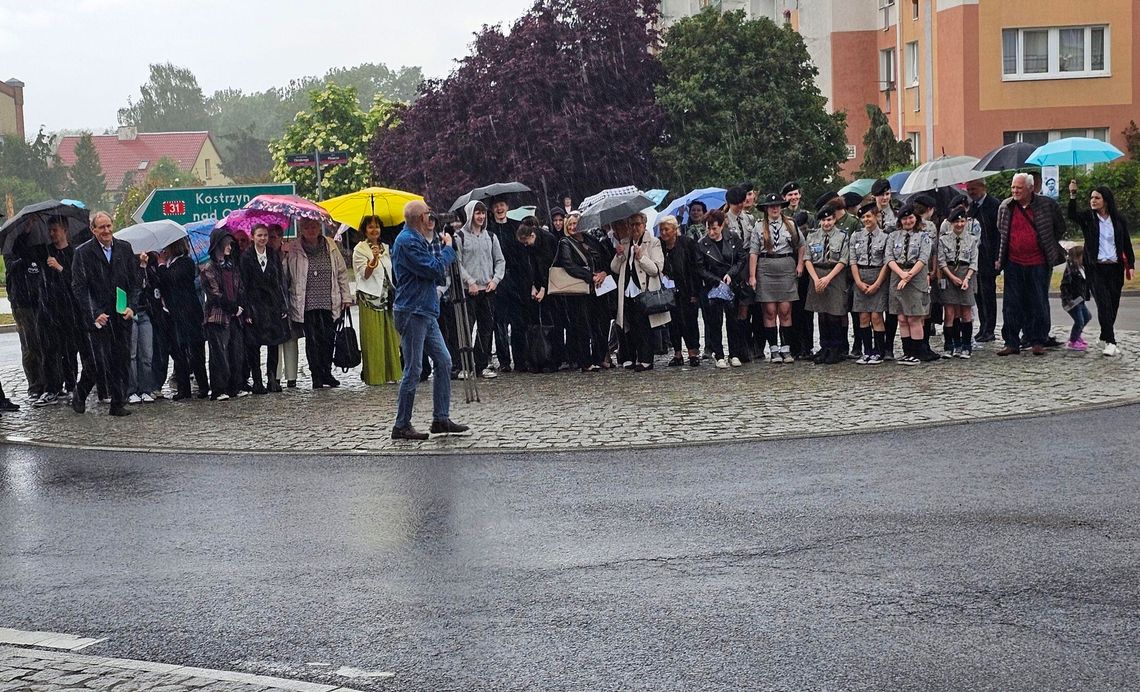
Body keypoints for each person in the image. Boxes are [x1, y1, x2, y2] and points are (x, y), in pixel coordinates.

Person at [390, 200, 468, 440]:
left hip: (425, 309)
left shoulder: (417, 239)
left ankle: (440, 418)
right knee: (413, 369)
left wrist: (441, 247)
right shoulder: (407, 242)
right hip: (413, 310)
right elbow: (434, 269)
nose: (432, 218)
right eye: (428, 214)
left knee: (444, 361)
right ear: (420, 218)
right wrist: (448, 249)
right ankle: (401, 424)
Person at [70, 211, 140, 416]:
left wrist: (132, 306)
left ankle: (118, 403)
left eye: (109, 226)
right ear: (93, 230)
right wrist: (94, 313)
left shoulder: (124, 249)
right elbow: (79, 288)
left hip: (121, 315)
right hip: (99, 317)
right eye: (102, 227)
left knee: (121, 360)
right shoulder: (83, 253)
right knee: (97, 363)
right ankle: (80, 393)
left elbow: (135, 282)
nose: (106, 230)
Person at [996, 172, 1066, 357]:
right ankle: (1011, 342)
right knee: (1011, 304)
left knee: (1038, 302)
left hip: (1039, 262)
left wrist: (1046, 242)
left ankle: (1037, 340)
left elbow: (1060, 227)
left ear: (1030, 188)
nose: (1015, 191)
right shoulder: (1006, 206)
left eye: (1019, 188)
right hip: (1013, 262)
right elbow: (1000, 230)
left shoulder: (1047, 205)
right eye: (1013, 187)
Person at [1067, 180, 1135, 357]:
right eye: (1091, 197)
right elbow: (1072, 214)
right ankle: (1111, 342)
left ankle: (1105, 333)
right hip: (1096, 269)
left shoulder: (1118, 220)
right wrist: (1073, 194)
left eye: (1097, 198)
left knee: (1113, 305)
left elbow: (1126, 243)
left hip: (1115, 268)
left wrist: (1131, 264)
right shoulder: (1089, 218)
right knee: (1103, 304)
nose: (1093, 200)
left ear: (1106, 200)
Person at [285, 218, 352, 388]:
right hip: (305, 302)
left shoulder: (330, 245)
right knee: (312, 340)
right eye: (306, 227)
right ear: (301, 230)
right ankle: (316, 375)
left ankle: (326, 372)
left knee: (328, 338)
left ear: (319, 228)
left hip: (329, 299)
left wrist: (346, 297)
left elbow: (342, 272)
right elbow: (286, 275)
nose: (311, 230)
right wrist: (282, 255)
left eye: (314, 226)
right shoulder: (294, 248)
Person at [748, 193, 802, 364]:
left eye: (778, 205)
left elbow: (801, 246)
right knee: (770, 310)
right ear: (766, 208)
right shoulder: (759, 226)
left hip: (786, 266)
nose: (775, 208)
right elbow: (753, 252)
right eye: (771, 206)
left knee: (785, 310)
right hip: (766, 267)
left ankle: (786, 348)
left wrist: (800, 265)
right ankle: (773, 349)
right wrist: (752, 275)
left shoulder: (791, 224)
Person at [611, 213, 669, 371]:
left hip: (644, 291)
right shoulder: (625, 242)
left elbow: (656, 269)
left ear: (644, 225)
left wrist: (641, 257)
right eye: (631, 225)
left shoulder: (653, 242)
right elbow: (614, 268)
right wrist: (619, 255)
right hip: (627, 291)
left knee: (644, 326)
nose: (634, 228)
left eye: (637, 224)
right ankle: (631, 356)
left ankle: (646, 359)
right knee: (628, 326)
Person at [555, 211, 610, 372]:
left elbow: (604, 258)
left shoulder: (591, 239)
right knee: (582, 326)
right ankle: (585, 361)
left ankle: (598, 357)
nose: (573, 227)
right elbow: (568, 264)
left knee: (599, 324)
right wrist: (589, 276)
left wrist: (603, 273)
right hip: (579, 290)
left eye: (576, 224)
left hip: (598, 289)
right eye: (570, 224)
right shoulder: (565, 242)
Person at [34, 219, 81, 407]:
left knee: (70, 351)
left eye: (55, 230)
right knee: (50, 351)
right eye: (50, 230)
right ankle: (52, 388)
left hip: (69, 312)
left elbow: (77, 281)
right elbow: (23, 250)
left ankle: (72, 385)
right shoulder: (45, 252)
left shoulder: (74, 254)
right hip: (48, 310)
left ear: (65, 231)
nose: (52, 234)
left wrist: (60, 268)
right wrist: (29, 228)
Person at [454, 201, 504, 378]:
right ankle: (465, 366)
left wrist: (496, 279)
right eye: (477, 213)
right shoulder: (459, 237)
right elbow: (456, 263)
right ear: (470, 215)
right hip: (469, 292)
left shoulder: (491, 237)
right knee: (466, 329)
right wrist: (469, 281)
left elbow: (500, 261)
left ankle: (481, 364)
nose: (481, 217)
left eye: (483, 213)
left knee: (486, 329)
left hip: (488, 290)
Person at [241, 224, 291, 393]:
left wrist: (283, 305)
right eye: (259, 235)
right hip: (255, 305)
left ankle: (272, 378)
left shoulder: (273, 255)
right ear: (252, 237)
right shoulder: (246, 257)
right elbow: (244, 285)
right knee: (254, 345)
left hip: (272, 304)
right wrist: (247, 309)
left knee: (274, 344)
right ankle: (257, 380)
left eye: (265, 235)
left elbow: (279, 281)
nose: (262, 238)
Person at [885, 205, 938, 365]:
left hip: (915, 277)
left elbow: (923, 259)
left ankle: (917, 352)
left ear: (916, 219)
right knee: (901, 317)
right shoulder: (893, 236)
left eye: (910, 218)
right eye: (904, 218)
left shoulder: (924, 237)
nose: (908, 221)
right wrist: (901, 274)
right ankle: (907, 351)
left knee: (914, 317)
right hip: (897, 276)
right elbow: (889, 257)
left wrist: (907, 277)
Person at [157, 238, 209, 399]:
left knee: (195, 351)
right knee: (178, 352)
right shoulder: (171, 263)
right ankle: (183, 388)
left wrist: (161, 265)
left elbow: (171, 278)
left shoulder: (185, 262)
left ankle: (203, 386)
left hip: (189, 312)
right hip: (174, 313)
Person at [697, 210, 748, 368]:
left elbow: (741, 259)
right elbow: (700, 268)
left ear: (722, 226)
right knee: (714, 321)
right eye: (708, 228)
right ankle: (718, 354)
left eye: (714, 228)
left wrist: (731, 274)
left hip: (731, 283)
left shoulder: (733, 238)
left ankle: (734, 353)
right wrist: (716, 280)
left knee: (733, 321)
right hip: (712, 286)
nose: (711, 232)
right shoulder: (702, 244)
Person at [200, 229, 246, 400]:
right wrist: (232, 307)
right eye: (226, 244)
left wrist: (240, 305)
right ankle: (219, 388)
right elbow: (214, 294)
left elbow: (239, 286)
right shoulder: (208, 269)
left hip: (235, 316)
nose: (229, 247)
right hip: (217, 317)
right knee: (219, 354)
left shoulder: (232, 266)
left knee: (236, 352)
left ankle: (235, 385)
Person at [803, 208, 850, 364]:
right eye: (823, 220)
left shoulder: (842, 236)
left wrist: (828, 278)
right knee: (821, 313)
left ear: (834, 220)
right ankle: (825, 347)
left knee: (834, 313)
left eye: (829, 220)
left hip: (834, 276)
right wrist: (816, 279)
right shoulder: (812, 236)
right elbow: (807, 258)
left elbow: (843, 260)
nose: (826, 223)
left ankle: (836, 349)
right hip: (817, 274)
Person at [658, 215, 702, 367]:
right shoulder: (660, 246)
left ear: (675, 230)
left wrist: (695, 292)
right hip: (668, 291)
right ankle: (677, 353)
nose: (663, 233)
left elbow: (695, 268)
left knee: (689, 321)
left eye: (666, 229)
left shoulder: (686, 243)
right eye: (661, 229)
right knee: (673, 322)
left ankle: (693, 352)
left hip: (687, 289)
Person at [6, 236, 46, 400]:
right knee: (29, 346)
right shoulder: (10, 249)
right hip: (22, 305)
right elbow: (11, 268)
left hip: (41, 302)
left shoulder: (40, 247)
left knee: (45, 344)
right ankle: (35, 385)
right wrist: (24, 253)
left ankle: (49, 382)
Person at [849, 202, 890, 364]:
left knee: (876, 316)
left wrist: (877, 284)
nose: (866, 219)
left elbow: (887, 262)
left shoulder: (885, 237)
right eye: (863, 217)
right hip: (861, 276)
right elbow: (852, 260)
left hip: (878, 276)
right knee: (863, 317)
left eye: (869, 216)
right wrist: (858, 281)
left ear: (876, 216)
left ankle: (879, 352)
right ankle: (867, 351)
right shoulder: (856, 236)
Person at [487, 198, 524, 373]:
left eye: (502, 205)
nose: (499, 208)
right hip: (496, 280)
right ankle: (504, 360)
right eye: (496, 206)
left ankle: (521, 358)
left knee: (518, 321)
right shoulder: (488, 230)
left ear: (507, 207)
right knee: (499, 322)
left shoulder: (517, 226)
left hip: (516, 278)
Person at [937, 207, 979, 358]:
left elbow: (974, 262)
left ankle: (966, 345)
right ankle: (952, 344)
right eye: (956, 222)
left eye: (962, 221)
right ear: (950, 223)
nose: (960, 225)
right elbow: (941, 261)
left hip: (966, 274)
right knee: (950, 312)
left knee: (966, 311)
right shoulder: (944, 240)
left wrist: (967, 279)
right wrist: (951, 277)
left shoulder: (972, 239)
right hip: (950, 275)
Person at [514, 218, 551, 371]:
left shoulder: (547, 241)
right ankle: (537, 358)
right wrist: (533, 286)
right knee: (534, 326)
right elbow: (530, 268)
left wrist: (544, 288)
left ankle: (549, 359)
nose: (525, 245)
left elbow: (549, 266)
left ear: (532, 236)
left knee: (549, 324)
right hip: (534, 286)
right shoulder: (528, 248)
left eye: (526, 242)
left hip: (549, 287)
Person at [966, 179, 1000, 342]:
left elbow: (999, 234)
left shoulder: (994, 205)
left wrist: (997, 258)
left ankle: (990, 329)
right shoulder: (971, 207)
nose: (971, 192)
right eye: (968, 189)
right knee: (978, 294)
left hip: (988, 256)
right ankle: (983, 326)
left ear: (983, 187)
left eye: (973, 188)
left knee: (988, 294)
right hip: (975, 257)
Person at [784, 181, 813, 359]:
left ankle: (807, 346)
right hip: (787, 266)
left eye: (796, 194)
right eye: (790, 195)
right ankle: (792, 345)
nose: (793, 198)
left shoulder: (809, 217)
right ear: (784, 198)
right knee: (789, 309)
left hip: (805, 266)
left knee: (805, 308)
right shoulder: (781, 216)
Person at [125, 251, 156, 404]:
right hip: (131, 312)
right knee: (131, 354)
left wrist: (145, 268)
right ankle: (131, 389)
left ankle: (146, 389)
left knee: (146, 354)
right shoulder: (126, 266)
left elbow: (150, 287)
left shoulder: (148, 267)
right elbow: (134, 288)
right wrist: (140, 267)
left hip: (145, 312)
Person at [1059, 245, 1092, 352]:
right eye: (1083, 256)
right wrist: (1068, 299)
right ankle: (1073, 341)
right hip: (1072, 300)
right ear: (1077, 257)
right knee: (1079, 321)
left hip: (1079, 299)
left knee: (1087, 317)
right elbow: (1064, 285)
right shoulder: (1071, 271)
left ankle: (1077, 335)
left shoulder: (1082, 269)